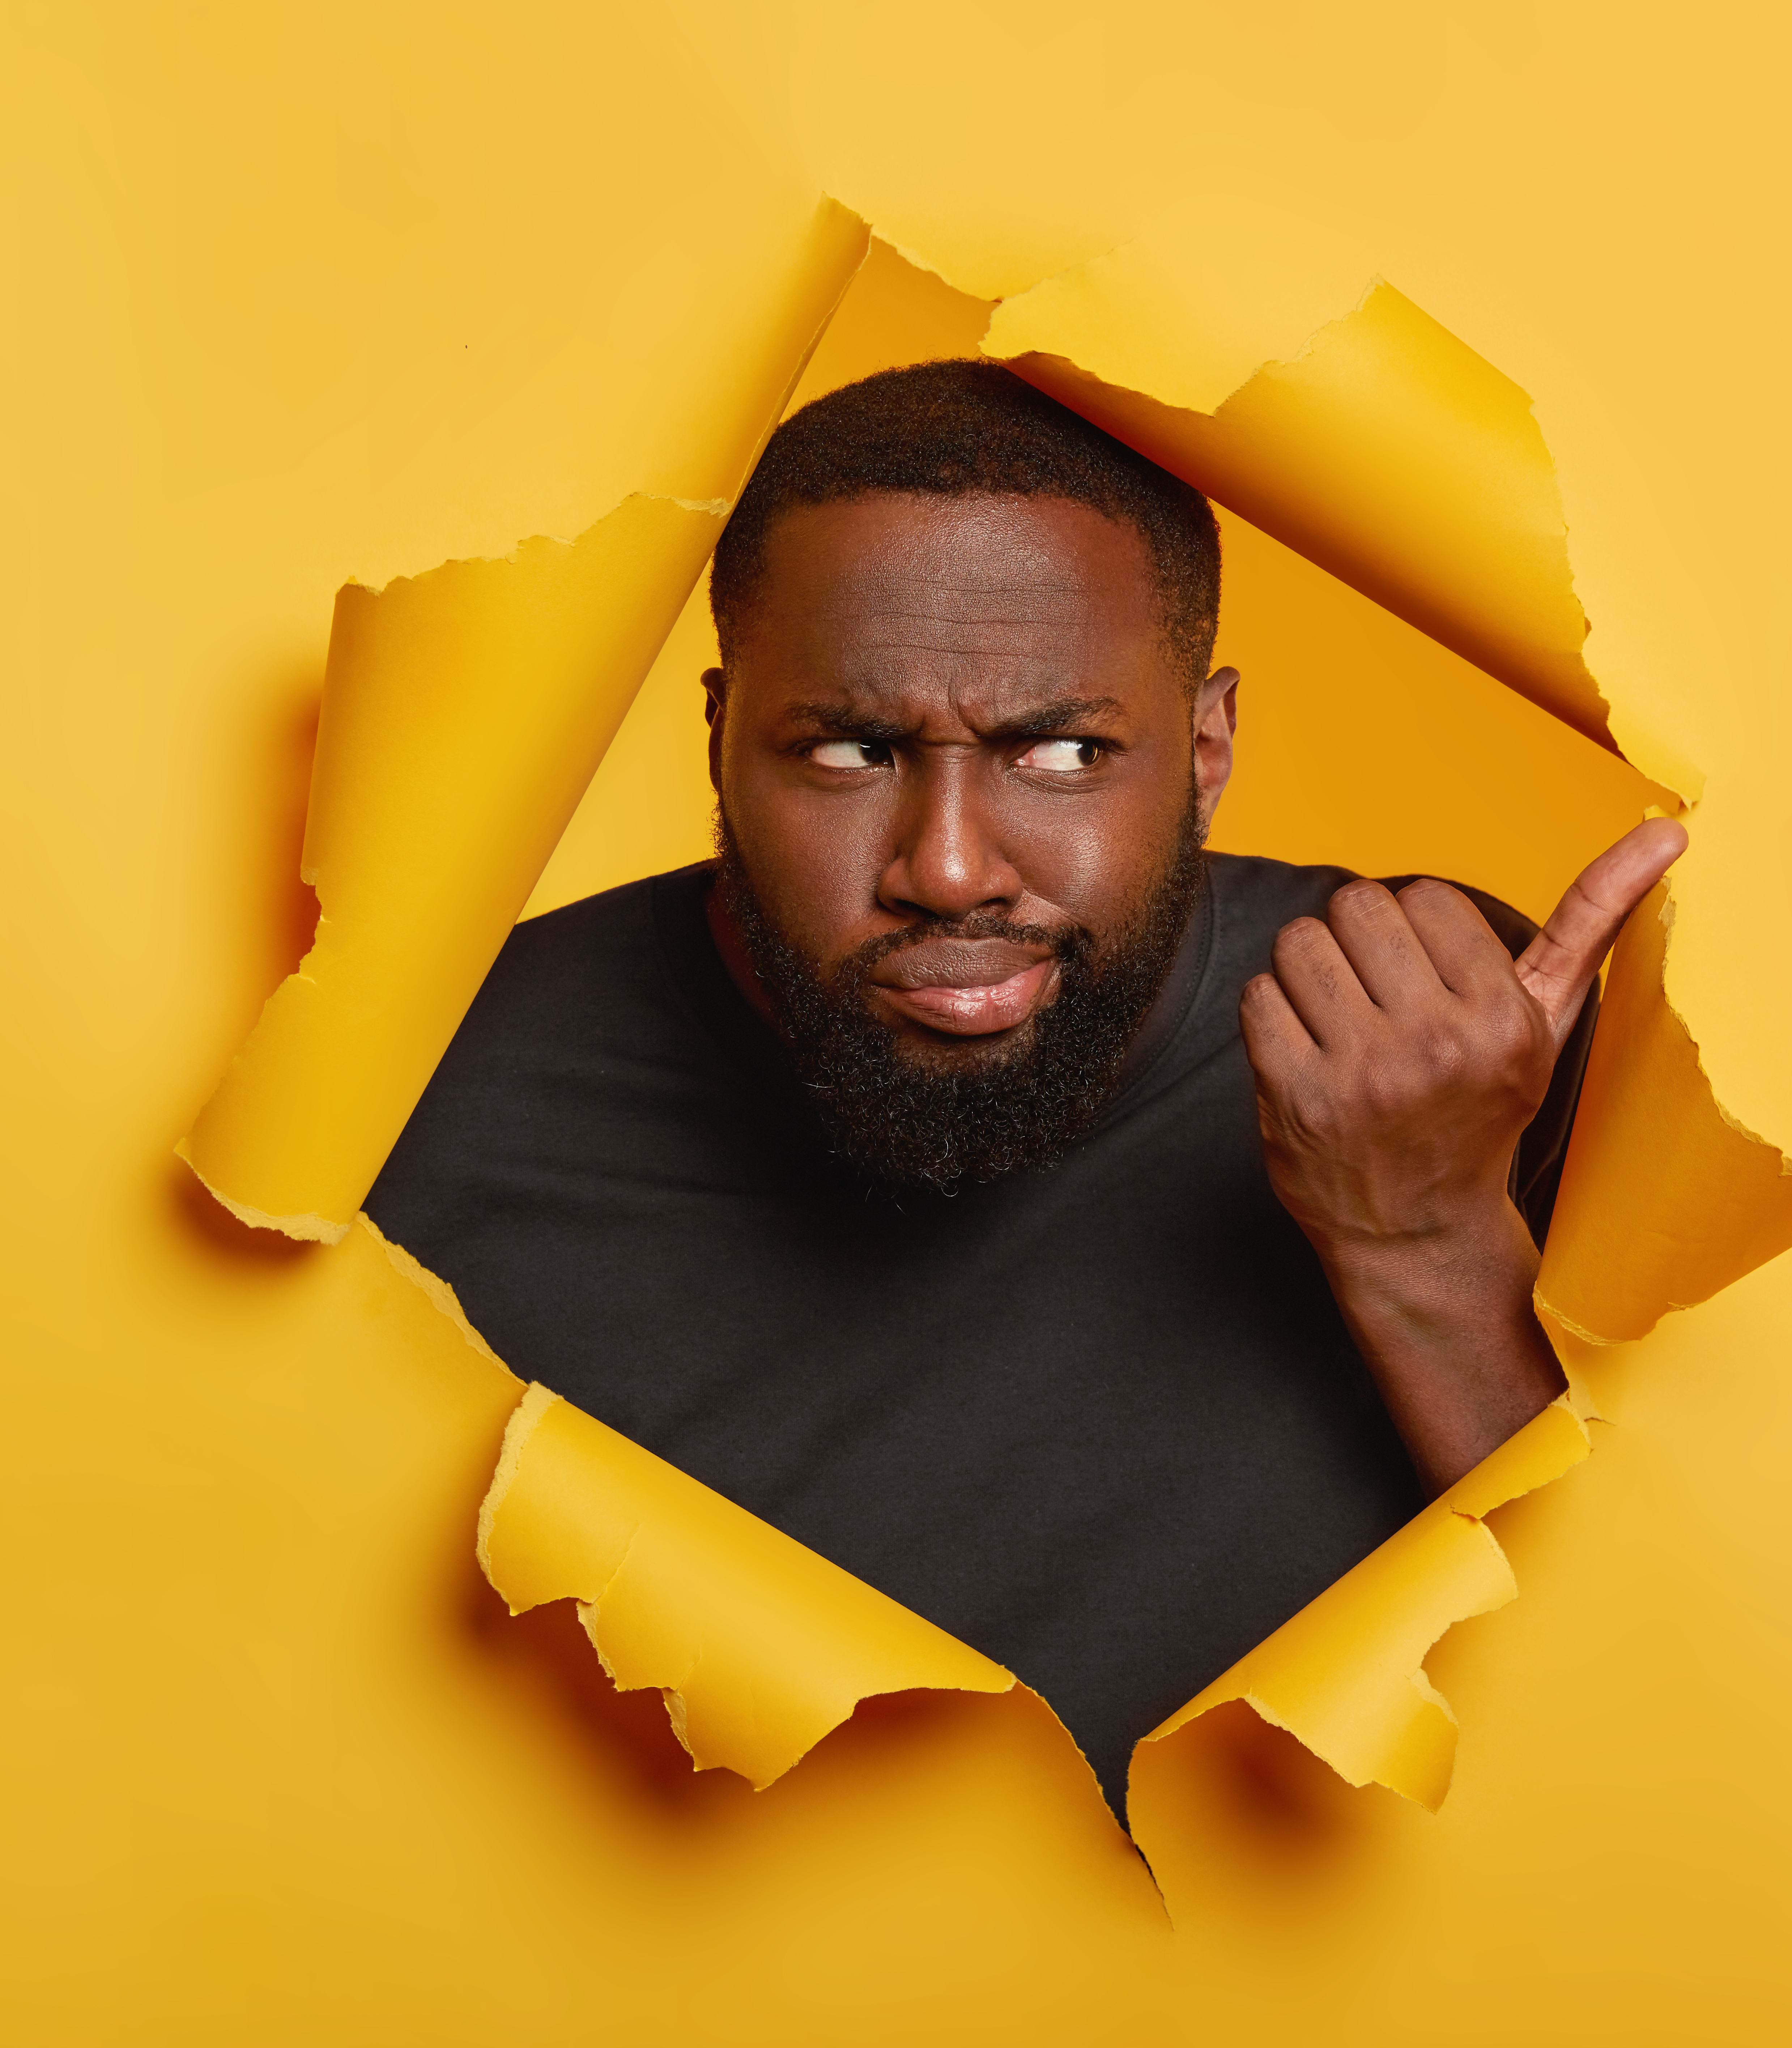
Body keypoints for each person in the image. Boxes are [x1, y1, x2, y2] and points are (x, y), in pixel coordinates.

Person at [366, 361, 1683, 1813]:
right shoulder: (426, 1093)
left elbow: (1655, 1762)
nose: (948, 867)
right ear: (721, 739)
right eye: (850, 749)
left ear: (1206, 748)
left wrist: (1426, 1240)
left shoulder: (1438, 1052)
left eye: (1059, 753)